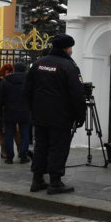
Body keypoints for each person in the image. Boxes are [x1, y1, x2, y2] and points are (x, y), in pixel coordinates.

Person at [24, 34, 86, 195]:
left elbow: (26, 90)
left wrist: (35, 108)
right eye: (70, 47)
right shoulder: (69, 66)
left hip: (40, 115)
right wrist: (80, 115)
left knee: (41, 147)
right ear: (66, 48)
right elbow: (77, 94)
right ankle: (55, 182)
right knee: (58, 148)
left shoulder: (38, 64)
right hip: (61, 116)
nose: (71, 50)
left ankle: (37, 179)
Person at [0, 62, 31, 164]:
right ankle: (23, 156)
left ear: (14, 69)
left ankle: (9, 157)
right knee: (24, 134)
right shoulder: (28, 81)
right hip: (25, 111)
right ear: (25, 71)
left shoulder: (6, 81)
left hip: (10, 110)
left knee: (9, 134)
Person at [0, 63, 15, 159]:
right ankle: (3, 150)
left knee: (16, 130)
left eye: (11, 72)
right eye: (8, 72)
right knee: (1, 130)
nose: (10, 74)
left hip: (12, 107)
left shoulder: (13, 80)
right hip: (1, 108)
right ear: (3, 72)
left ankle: (19, 149)